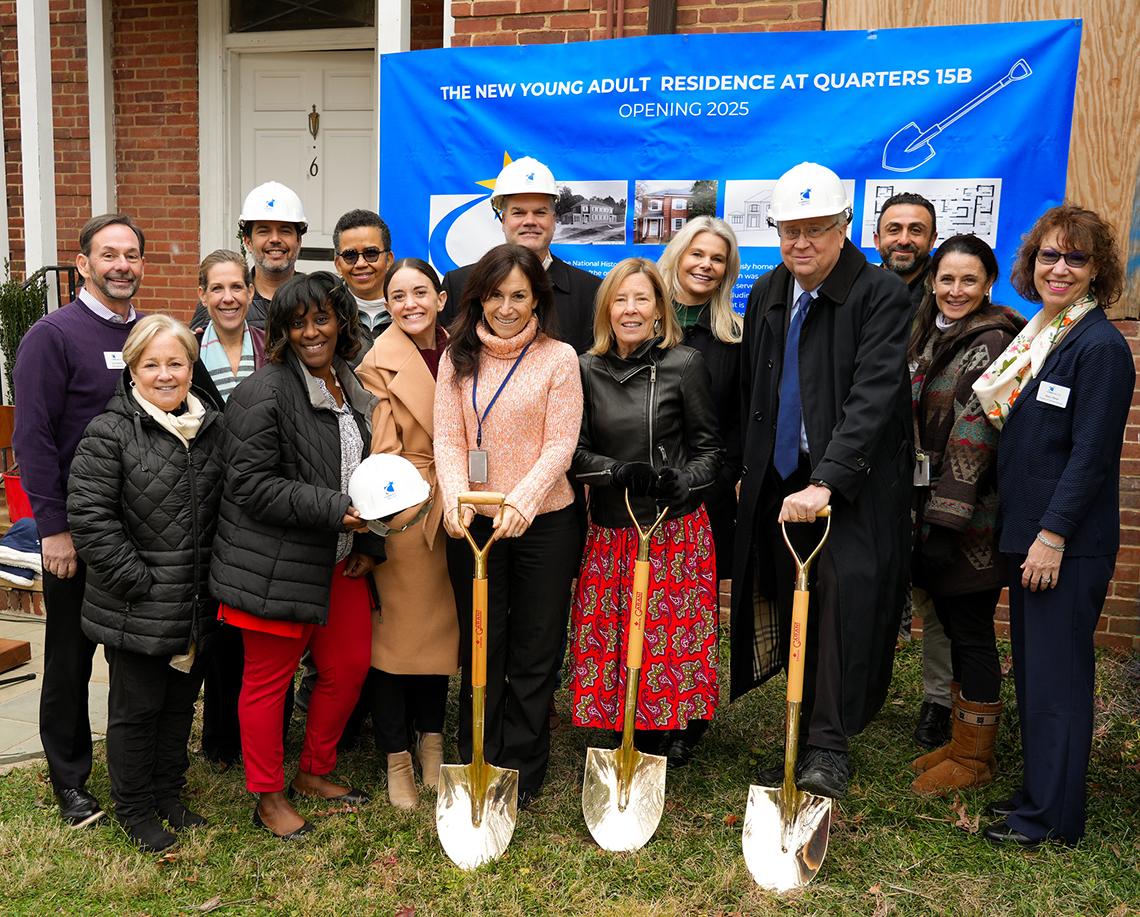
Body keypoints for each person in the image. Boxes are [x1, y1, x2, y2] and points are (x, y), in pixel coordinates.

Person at [730, 162, 912, 800]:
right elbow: (756, 385)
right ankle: (797, 729)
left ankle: (829, 745)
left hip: (846, 483)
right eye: (788, 230)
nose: (800, 243)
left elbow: (874, 397)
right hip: (783, 476)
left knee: (836, 602)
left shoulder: (880, 294)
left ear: (845, 228)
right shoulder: (770, 289)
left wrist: (828, 481)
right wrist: (747, 471)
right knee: (788, 597)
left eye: (815, 229)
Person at [974, 205, 1133, 847]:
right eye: (1049, 255)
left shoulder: (1099, 347)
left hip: (1062, 546)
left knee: (1058, 682)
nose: (1059, 268)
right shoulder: (1046, 334)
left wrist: (1052, 536)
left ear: (1098, 272)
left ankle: (1051, 821)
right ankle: (1040, 795)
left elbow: (1092, 456)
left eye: (1075, 258)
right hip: (1030, 535)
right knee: (1039, 674)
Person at [209, 272, 386, 839]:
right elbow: (250, 486)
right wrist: (336, 510)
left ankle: (315, 770)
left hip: (339, 559)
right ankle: (268, 795)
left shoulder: (348, 383)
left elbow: (363, 472)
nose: (312, 332)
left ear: (341, 321)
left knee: (348, 668)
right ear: (282, 330)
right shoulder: (262, 392)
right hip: (274, 565)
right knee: (268, 683)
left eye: (322, 318)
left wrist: (368, 536)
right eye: (298, 322)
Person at [67, 316, 224, 852]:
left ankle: (168, 794)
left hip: (195, 603)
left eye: (175, 363)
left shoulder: (208, 429)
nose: (164, 375)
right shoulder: (109, 432)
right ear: (132, 368)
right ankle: (134, 809)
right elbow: (90, 518)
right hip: (137, 604)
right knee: (136, 711)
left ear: (191, 366)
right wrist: (139, 582)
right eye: (151, 364)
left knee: (180, 705)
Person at [434, 243, 583, 809]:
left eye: (518, 295)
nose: (506, 307)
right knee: (481, 644)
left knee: (535, 645)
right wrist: (454, 496)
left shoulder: (558, 358)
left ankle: (521, 762)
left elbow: (559, 445)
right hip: (474, 523)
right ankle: (479, 749)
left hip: (543, 521)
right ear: (478, 298)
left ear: (536, 299)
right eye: (495, 295)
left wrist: (522, 499)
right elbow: (448, 438)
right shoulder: (456, 356)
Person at [12, 213, 147, 827]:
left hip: (140, 531)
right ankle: (69, 780)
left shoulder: (148, 333)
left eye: (132, 255)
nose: (122, 264)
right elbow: (33, 438)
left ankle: (133, 773)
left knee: (133, 658)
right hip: (78, 531)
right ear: (84, 263)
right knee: (70, 658)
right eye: (109, 254)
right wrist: (53, 529)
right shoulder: (52, 335)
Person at [570, 258, 722, 765]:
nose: (631, 310)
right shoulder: (585, 368)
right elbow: (574, 451)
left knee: (671, 632)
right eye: (621, 299)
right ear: (606, 309)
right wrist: (616, 472)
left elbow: (710, 450)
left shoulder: (685, 364)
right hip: (614, 525)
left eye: (642, 299)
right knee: (615, 628)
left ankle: (677, 720)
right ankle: (622, 716)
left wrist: (688, 481)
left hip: (671, 527)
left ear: (659, 309)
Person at [904, 235, 1024, 797]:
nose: (956, 290)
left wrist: (946, 523)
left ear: (987, 285)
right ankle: (959, 740)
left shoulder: (996, 339)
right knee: (951, 626)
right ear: (933, 281)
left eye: (968, 281)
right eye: (947, 279)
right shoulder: (931, 334)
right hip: (928, 508)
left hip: (969, 519)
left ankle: (975, 759)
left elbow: (975, 435)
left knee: (972, 630)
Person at [355, 258, 458, 809]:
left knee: (441, 637)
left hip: (463, 502)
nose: (410, 303)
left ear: (441, 297)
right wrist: (417, 501)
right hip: (406, 509)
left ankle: (433, 742)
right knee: (397, 638)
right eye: (397, 296)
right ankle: (396, 753)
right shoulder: (377, 364)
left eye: (421, 292)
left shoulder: (467, 348)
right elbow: (383, 451)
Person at [654, 216, 741, 764]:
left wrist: (722, 477)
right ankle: (640, 705)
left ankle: (689, 716)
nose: (706, 266)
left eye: (718, 260)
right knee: (639, 599)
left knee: (692, 607)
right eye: (698, 255)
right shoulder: (639, 317)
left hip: (704, 491)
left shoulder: (734, 334)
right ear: (678, 255)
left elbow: (737, 418)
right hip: (640, 489)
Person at [875, 192, 954, 750]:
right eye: (894, 228)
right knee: (868, 584)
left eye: (916, 230)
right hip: (865, 465)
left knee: (935, 592)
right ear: (877, 236)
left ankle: (939, 702)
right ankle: (864, 684)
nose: (904, 239)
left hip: (932, 469)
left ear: (931, 238)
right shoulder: (858, 290)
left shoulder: (948, 301)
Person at [189, 249, 267, 770]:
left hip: (261, 501)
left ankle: (255, 729)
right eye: (217, 289)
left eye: (237, 287)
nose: (228, 298)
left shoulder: (271, 347)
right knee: (217, 627)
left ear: (250, 291)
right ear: (202, 296)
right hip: (209, 503)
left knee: (254, 624)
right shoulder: (187, 350)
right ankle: (219, 739)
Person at [441, 156, 600, 355]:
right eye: (518, 213)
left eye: (540, 212)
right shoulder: (458, 286)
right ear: (503, 218)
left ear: (554, 219)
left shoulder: (590, 292)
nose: (530, 221)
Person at [190, 181, 307, 331]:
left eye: (285, 231)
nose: (275, 239)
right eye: (263, 231)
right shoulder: (220, 302)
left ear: (299, 240)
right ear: (248, 241)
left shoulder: (317, 297)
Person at [333, 209, 395, 357]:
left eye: (371, 253)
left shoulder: (413, 309)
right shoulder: (325, 311)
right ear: (338, 265)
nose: (361, 264)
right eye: (350, 255)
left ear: (389, 260)